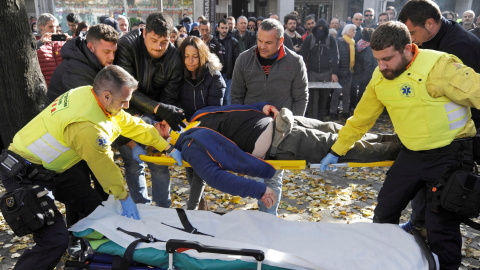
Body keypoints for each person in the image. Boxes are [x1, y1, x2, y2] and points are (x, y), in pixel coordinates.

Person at [320, 21, 480, 270]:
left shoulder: (440, 66)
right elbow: (361, 119)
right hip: (413, 154)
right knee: (384, 211)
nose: (382, 66)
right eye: (377, 60)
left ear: (408, 48)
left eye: (387, 59)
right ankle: (384, 262)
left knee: (440, 226)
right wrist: (336, 150)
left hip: (450, 154)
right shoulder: (380, 77)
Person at [0, 65, 181, 270]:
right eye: (124, 100)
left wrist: (166, 147)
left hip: (52, 169)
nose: (128, 104)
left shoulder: (91, 95)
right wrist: (124, 197)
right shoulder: (88, 126)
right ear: (106, 96)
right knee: (54, 240)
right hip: (23, 174)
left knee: (96, 207)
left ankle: (97, 257)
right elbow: (104, 166)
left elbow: (133, 125)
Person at [153, 102, 400, 209]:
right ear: (161, 139)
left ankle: (401, 140)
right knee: (350, 147)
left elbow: (237, 109)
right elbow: (214, 178)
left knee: (342, 131)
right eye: (154, 131)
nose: (159, 125)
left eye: (157, 123)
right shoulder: (190, 144)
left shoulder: (196, 119)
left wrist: (262, 105)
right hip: (283, 142)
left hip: (283, 120)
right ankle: (404, 148)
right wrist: (258, 190)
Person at [397, 0, 480, 235]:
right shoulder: (434, 37)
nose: (411, 40)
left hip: (465, 127)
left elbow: (465, 95)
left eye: (412, 32)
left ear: (431, 23)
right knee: (425, 180)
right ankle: (419, 223)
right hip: (438, 126)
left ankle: (436, 235)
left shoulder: (459, 46)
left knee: (445, 186)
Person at [46, 23, 119, 258]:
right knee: (78, 193)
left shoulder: (93, 65)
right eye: (107, 52)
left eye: (113, 52)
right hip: (69, 143)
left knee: (102, 188)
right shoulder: (74, 71)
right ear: (90, 46)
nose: (111, 57)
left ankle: (103, 233)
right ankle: (76, 238)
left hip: (89, 139)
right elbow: (96, 109)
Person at [231, 18, 308, 215]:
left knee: (273, 177)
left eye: (268, 42)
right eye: (259, 41)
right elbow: (236, 96)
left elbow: (301, 98)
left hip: (281, 131)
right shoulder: (243, 59)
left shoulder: (295, 62)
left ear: (280, 41)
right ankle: (262, 216)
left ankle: (269, 219)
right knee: (256, 176)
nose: (262, 46)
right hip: (251, 130)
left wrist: (291, 126)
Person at [114, 12, 185, 207]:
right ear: (143, 32)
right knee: (132, 162)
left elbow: (169, 97)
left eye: (164, 41)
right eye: (154, 40)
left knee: (159, 163)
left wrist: (161, 122)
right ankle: (141, 206)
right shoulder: (127, 45)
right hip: (127, 111)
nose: (158, 47)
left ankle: (163, 207)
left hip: (156, 114)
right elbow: (125, 90)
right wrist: (157, 109)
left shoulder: (173, 57)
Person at [177, 36, 225, 209]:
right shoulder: (179, 74)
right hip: (184, 129)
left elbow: (214, 111)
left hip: (206, 129)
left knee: (198, 168)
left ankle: (192, 209)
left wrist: (197, 130)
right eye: (186, 56)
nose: (190, 61)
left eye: (195, 56)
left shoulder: (214, 76)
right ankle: (201, 206)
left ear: (202, 56)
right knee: (189, 170)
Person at [300, 18, 339, 120]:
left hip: (326, 73)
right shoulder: (309, 39)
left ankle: (320, 119)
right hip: (312, 73)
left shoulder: (331, 39)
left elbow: (335, 57)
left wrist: (334, 73)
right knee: (311, 98)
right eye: (319, 28)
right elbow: (302, 57)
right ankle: (312, 119)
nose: (320, 30)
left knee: (324, 98)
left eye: (323, 28)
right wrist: (303, 73)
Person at [330, 24, 356, 119]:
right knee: (336, 93)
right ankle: (333, 111)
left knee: (346, 93)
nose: (355, 32)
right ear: (347, 31)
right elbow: (335, 58)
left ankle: (345, 111)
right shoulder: (339, 42)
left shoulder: (352, 43)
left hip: (349, 72)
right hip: (340, 72)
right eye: (353, 30)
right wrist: (335, 72)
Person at [36, 13, 65, 87]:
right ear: (41, 26)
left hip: (64, 85)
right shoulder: (36, 43)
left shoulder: (61, 43)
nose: (53, 30)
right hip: (47, 88)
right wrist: (41, 43)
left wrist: (70, 41)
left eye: (55, 26)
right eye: (50, 26)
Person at [216, 18, 239, 105]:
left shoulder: (233, 42)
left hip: (228, 75)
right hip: (216, 73)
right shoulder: (214, 41)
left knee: (228, 98)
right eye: (222, 28)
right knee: (218, 97)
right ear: (218, 28)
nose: (224, 30)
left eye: (226, 28)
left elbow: (237, 59)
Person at [353, 28, 377, 106]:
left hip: (357, 73)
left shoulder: (359, 44)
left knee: (359, 92)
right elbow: (368, 63)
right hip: (365, 75)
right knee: (363, 94)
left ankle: (354, 107)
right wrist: (368, 76)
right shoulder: (369, 47)